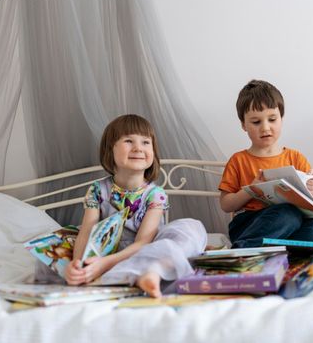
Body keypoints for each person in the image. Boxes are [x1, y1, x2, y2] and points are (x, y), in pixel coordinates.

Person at [64, 114, 207, 297]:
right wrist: (79, 263)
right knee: (59, 246)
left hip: (145, 252)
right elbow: (87, 229)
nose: (138, 148)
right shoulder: (98, 190)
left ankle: (151, 272)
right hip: (106, 251)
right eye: (129, 141)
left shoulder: (156, 195)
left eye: (146, 142)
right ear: (110, 149)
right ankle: (122, 276)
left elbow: (143, 242)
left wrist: (106, 263)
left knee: (191, 229)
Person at [218, 79, 313, 248]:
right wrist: (251, 190)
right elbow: (226, 205)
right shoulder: (238, 160)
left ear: (281, 119)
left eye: (272, 119)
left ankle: (269, 251)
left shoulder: (295, 157)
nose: (265, 128)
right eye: (256, 122)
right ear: (243, 125)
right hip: (249, 225)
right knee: (288, 214)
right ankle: (241, 250)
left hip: (290, 226)